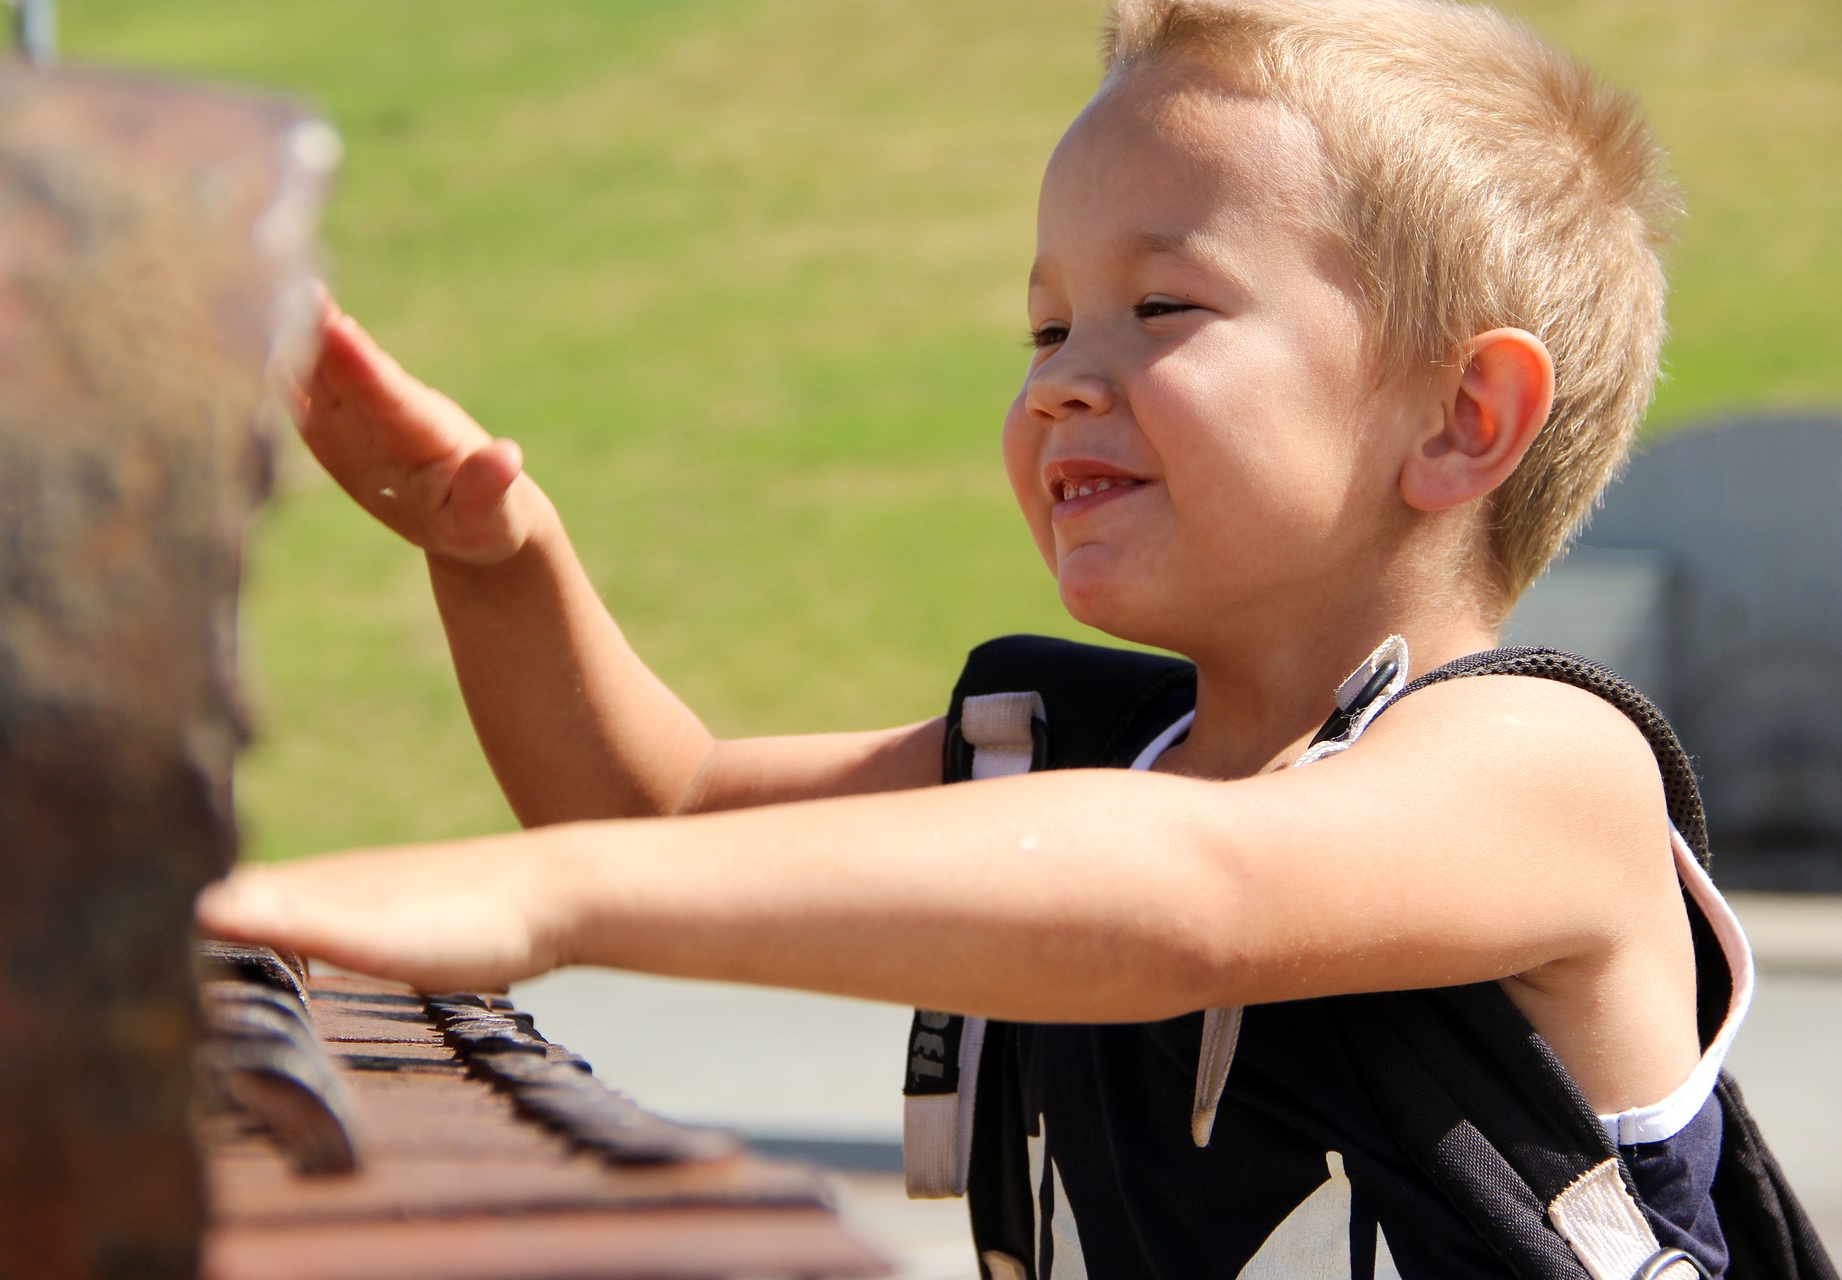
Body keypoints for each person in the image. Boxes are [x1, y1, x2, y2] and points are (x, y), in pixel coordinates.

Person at [198, 1, 1752, 1275]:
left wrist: (542, 899)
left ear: (1463, 419)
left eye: (1162, 309)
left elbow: (1197, 893)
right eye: (1045, 326)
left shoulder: (1544, 767)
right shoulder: (1070, 757)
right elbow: (652, 814)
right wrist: (494, 553)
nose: (1067, 378)